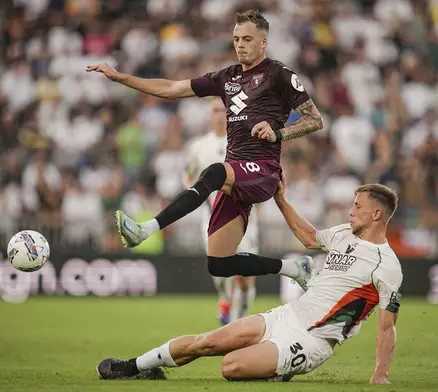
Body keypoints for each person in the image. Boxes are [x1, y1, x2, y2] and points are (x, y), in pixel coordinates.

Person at [86, 9, 324, 287]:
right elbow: (172, 88)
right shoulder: (227, 77)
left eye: (247, 39)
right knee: (219, 264)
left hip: (263, 170)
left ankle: (145, 229)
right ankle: (295, 268)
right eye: (236, 39)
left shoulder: (279, 74)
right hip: (235, 174)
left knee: (213, 172)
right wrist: (122, 78)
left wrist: (278, 133)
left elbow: (315, 119)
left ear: (264, 43)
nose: (240, 45)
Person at [96, 176, 403, 384]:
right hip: (287, 315)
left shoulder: (386, 264)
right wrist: (281, 200)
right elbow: (309, 237)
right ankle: (137, 367)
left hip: (313, 340)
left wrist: (381, 373)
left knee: (231, 366)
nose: (350, 212)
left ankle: (277, 370)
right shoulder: (342, 233)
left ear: (377, 215)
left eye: (357, 207)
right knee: (208, 342)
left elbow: (387, 327)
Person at [184, 98, 260, 325]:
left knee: (245, 277)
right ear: (209, 114)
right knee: (219, 269)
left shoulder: (244, 143)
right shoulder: (198, 147)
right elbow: (188, 176)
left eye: (223, 111)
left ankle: (239, 321)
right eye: (215, 110)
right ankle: (224, 298)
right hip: (212, 217)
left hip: (243, 216)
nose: (219, 115)